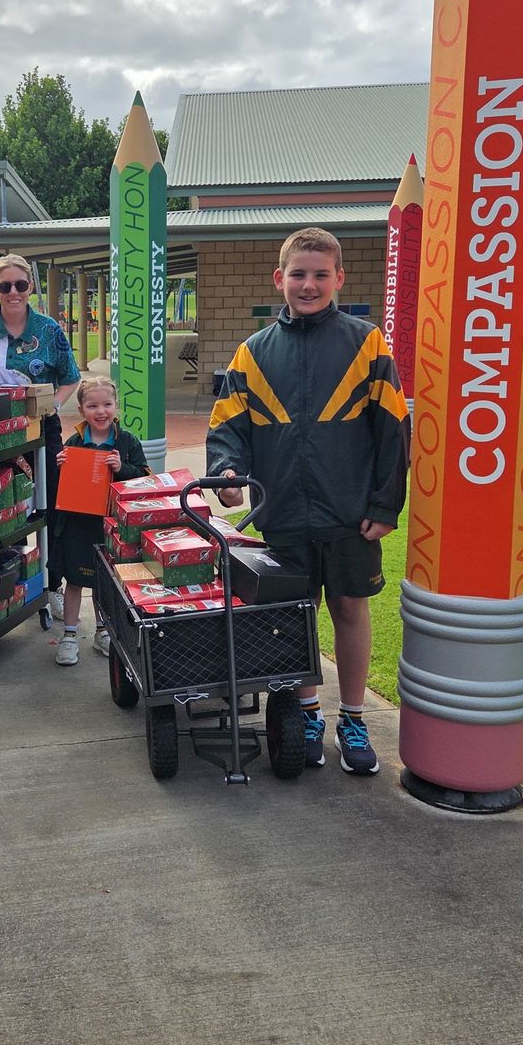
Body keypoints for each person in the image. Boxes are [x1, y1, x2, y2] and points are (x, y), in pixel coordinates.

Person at [206, 227, 409, 774]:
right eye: (298, 274)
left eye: (321, 274)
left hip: (349, 514)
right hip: (282, 513)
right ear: (280, 279)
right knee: (296, 615)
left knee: (349, 608)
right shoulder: (252, 352)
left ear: (339, 278)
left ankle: (354, 717)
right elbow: (228, 427)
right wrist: (226, 472)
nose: (309, 284)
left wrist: (385, 506)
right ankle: (308, 713)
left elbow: (393, 429)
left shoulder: (367, 343)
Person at [0, 253, 80, 618]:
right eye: (5, 286)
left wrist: (52, 405)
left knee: (50, 505)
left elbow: (71, 378)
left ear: (30, 286)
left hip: (41, 427)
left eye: (20, 284)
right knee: (5, 505)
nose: (13, 292)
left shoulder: (48, 329)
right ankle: (11, 584)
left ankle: (52, 583)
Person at [52, 377, 149, 666]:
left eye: (107, 404)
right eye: (92, 406)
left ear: (116, 405)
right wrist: (61, 468)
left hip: (111, 525)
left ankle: (102, 631)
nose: (101, 411)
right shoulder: (73, 443)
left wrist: (122, 468)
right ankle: (69, 636)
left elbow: (145, 478)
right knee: (74, 580)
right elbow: (62, 490)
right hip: (77, 525)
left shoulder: (127, 442)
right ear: (81, 410)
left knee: (103, 582)